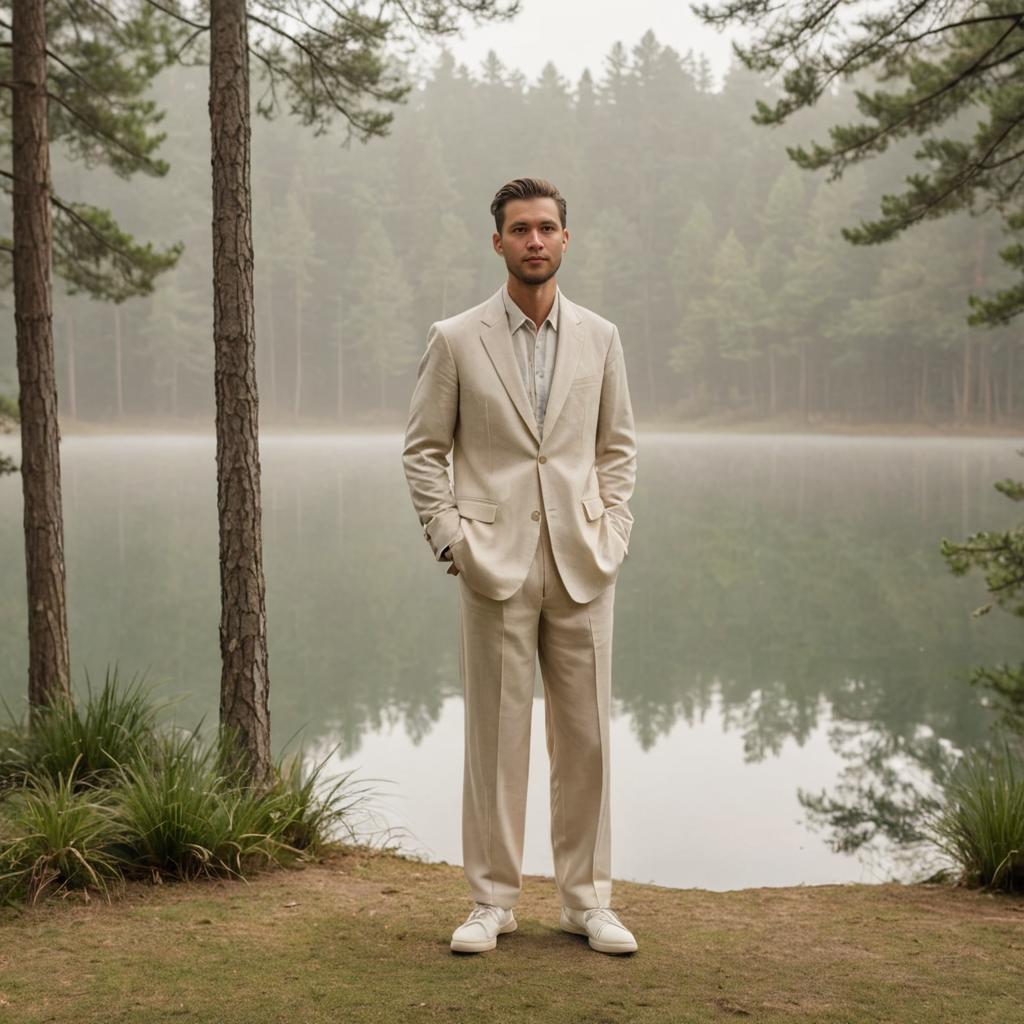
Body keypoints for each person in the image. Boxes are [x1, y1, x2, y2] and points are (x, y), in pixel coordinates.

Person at [402, 177, 638, 955]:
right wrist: (451, 540)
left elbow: (617, 448)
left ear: (566, 239)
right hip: (492, 564)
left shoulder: (601, 337)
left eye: (546, 228)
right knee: (494, 740)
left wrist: (615, 531)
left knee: (587, 741)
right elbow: (424, 450)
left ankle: (586, 902)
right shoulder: (457, 337)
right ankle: (492, 903)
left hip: (583, 562)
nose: (534, 240)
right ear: (496, 241)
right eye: (519, 229)